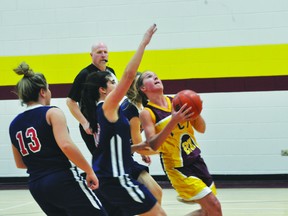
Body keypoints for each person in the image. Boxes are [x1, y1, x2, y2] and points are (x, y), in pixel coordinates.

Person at [81, 24, 177, 216]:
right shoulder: (106, 107)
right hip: (115, 177)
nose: (117, 85)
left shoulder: (107, 111)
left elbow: (110, 147)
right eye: (112, 82)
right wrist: (143, 43)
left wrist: (137, 147)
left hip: (113, 172)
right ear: (103, 89)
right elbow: (128, 75)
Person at [9, 62, 107, 216]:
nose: (50, 92)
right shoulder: (52, 112)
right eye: (48, 89)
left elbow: (20, 163)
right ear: (42, 92)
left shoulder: (14, 124)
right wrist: (88, 170)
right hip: (61, 178)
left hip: (36, 186)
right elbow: (66, 145)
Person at [136, 71, 223, 216]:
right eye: (149, 77)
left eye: (156, 75)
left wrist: (197, 110)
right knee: (215, 206)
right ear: (143, 88)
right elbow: (153, 145)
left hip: (197, 160)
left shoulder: (177, 101)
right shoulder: (147, 112)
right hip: (178, 168)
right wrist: (173, 120)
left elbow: (202, 129)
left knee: (209, 211)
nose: (155, 77)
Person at [120, 72, 163, 204]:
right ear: (138, 88)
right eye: (144, 81)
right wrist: (166, 149)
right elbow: (140, 148)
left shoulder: (138, 105)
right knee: (154, 194)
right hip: (118, 163)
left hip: (126, 157)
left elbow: (135, 143)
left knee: (155, 193)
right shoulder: (131, 110)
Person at [66, 41, 116, 155]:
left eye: (105, 52)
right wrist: (84, 123)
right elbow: (70, 101)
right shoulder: (85, 74)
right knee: (102, 160)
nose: (103, 55)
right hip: (94, 125)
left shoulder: (111, 72)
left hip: (110, 121)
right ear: (91, 55)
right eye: (99, 52)